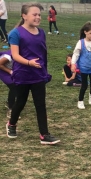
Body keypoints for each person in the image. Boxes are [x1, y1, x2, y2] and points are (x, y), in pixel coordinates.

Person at [6, 3, 60, 145]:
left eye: (39, 15)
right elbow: (15, 55)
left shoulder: (41, 32)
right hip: (22, 75)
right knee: (21, 102)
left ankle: (44, 134)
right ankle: (11, 124)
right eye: (34, 14)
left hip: (38, 75)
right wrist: (29, 63)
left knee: (40, 104)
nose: (37, 17)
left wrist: (44, 70)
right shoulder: (15, 33)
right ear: (24, 16)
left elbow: (43, 53)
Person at [71, 21, 91, 109]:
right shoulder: (80, 43)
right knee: (84, 85)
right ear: (85, 32)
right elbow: (76, 54)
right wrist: (73, 64)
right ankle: (80, 101)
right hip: (83, 67)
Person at [0, 50, 17, 119]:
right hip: (2, 70)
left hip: (11, 69)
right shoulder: (8, 57)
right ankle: (11, 109)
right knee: (13, 87)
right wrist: (10, 71)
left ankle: (10, 102)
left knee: (18, 87)